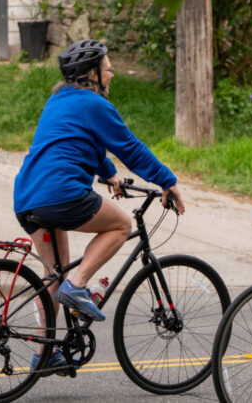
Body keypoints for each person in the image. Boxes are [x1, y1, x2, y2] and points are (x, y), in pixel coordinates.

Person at [13, 39, 186, 329]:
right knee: (120, 225)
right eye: (108, 69)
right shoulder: (94, 104)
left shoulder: (58, 100)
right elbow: (130, 148)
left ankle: (45, 353)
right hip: (62, 194)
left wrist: (109, 174)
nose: (112, 74)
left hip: (28, 196)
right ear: (92, 74)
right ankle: (79, 285)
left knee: (54, 275)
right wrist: (167, 181)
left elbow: (80, 142)